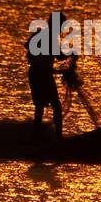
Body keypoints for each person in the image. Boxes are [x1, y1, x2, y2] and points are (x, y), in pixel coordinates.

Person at [25, 11, 75, 140]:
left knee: (41, 106)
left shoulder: (48, 35)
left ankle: (37, 137)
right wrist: (71, 53)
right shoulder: (47, 35)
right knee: (53, 106)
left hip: (40, 74)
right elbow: (59, 56)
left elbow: (57, 55)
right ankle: (57, 138)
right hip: (40, 74)